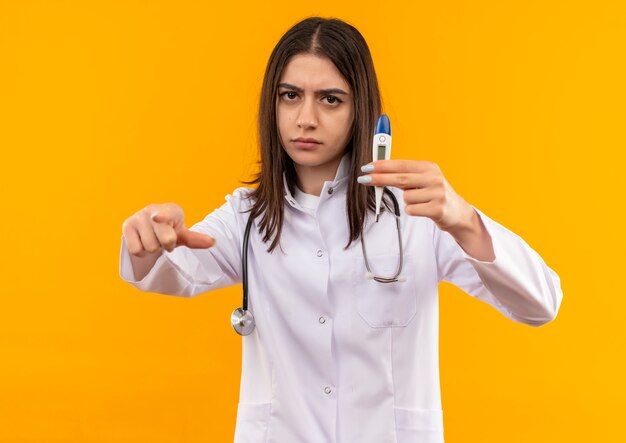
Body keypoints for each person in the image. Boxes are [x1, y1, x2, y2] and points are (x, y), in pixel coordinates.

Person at [119, 17, 563, 443]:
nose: (305, 118)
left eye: (330, 99)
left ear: (360, 110)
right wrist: (150, 238)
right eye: (290, 96)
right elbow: (170, 271)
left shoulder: (417, 215)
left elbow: (540, 304)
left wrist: (465, 220)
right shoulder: (247, 218)